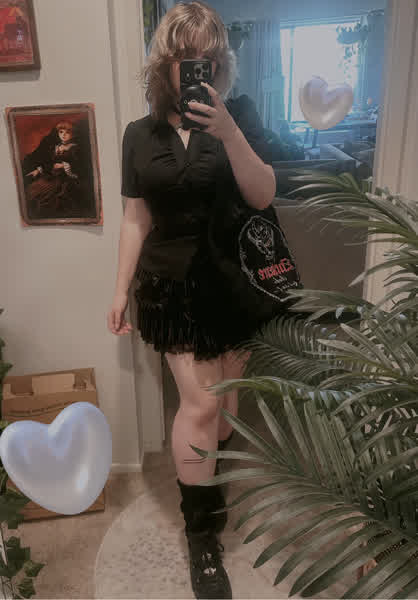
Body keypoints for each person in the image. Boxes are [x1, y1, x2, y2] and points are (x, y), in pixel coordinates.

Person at [107, 2, 299, 598]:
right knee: (201, 405)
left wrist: (231, 133)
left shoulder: (239, 116)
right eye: (186, 57)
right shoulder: (138, 135)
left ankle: (211, 477)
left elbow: (263, 195)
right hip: (171, 288)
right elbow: (135, 219)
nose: (198, 67)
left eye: (209, 58)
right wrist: (119, 289)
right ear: (164, 64)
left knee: (228, 404)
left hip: (233, 282)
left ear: (220, 65)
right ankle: (202, 534)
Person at [23, 121, 82, 218]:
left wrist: (63, 165)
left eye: (67, 133)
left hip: (64, 179)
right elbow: (50, 163)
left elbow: (79, 165)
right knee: (32, 190)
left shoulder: (75, 148)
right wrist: (38, 170)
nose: (63, 135)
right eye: (61, 132)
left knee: (48, 196)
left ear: (73, 134)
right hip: (51, 176)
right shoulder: (56, 147)